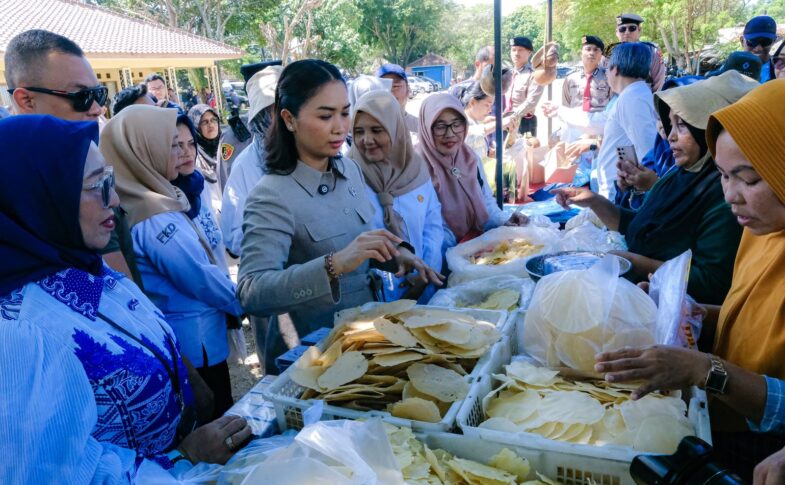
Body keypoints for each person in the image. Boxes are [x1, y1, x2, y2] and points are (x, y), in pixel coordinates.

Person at [0, 115, 251, 481]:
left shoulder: (89, 270)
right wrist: (182, 459)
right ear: (38, 198)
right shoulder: (17, 333)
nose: (115, 199)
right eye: (96, 186)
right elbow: (50, 474)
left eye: (111, 180)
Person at [594, 79, 785, 481]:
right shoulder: (761, 230)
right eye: (722, 175)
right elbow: (750, 315)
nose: (731, 195)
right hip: (725, 415)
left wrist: (705, 370)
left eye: (749, 179)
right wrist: (695, 312)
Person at [237, 59, 439, 372]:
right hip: (314, 358)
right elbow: (252, 292)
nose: (340, 127)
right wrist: (333, 265)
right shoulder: (271, 196)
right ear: (289, 119)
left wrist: (396, 254)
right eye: (325, 115)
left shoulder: (349, 170)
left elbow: (358, 245)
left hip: (364, 341)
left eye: (345, 112)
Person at [554, 71, 755, 305]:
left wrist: (635, 263)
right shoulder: (678, 175)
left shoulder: (723, 195)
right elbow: (641, 226)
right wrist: (594, 201)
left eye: (682, 126)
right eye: (670, 125)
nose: (670, 137)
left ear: (707, 129)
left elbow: (711, 282)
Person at [101, 105, 243, 418]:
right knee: (217, 417)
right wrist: (246, 300)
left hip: (191, 337)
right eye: (169, 144)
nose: (179, 152)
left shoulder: (150, 198)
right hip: (194, 342)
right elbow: (198, 277)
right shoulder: (154, 213)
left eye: (185, 143)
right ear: (142, 150)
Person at [3, 29, 139, 287]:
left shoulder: (84, 162)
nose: (97, 109)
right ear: (27, 100)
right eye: (81, 97)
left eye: (99, 94)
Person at [348, 90, 445, 302]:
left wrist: (425, 270)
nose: (367, 140)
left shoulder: (416, 171)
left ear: (396, 130)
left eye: (376, 130)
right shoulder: (346, 177)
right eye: (359, 131)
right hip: (373, 296)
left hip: (423, 283)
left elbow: (433, 225)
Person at [417, 93, 527, 253]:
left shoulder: (469, 158)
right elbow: (426, 227)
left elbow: (486, 202)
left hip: (475, 250)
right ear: (426, 127)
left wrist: (505, 219)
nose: (450, 134)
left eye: (456, 124)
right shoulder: (416, 167)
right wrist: (461, 249)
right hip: (439, 258)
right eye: (440, 126)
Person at [613, 75, 704, 210]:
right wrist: (628, 187)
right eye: (660, 118)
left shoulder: (715, 177)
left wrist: (655, 187)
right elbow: (633, 216)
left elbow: (683, 219)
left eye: (681, 123)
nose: (670, 135)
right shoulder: (660, 151)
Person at [221, 65, 283, 258]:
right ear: (259, 117)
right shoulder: (245, 166)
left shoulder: (313, 151)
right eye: (272, 111)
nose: (282, 118)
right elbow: (233, 238)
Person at [592, 42, 658, 201]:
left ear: (616, 69)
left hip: (620, 193)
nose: (606, 74)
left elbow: (647, 150)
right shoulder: (634, 94)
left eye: (607, 68)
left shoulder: (632, 98)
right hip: (618, 189)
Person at [462, 82, 519, 202]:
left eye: (491, 106)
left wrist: (489, 155)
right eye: (487, 105)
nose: (489, 110)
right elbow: (468, 133)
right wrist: (499, 124)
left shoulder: (477, 121)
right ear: (472, 102)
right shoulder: (461, 121)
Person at [189, 104, 227, 220]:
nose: (210, 125)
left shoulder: (227, 146)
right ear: (196, 126)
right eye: (204, 122)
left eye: (213, 120)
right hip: (211, 214)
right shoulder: (192, 155)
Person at [611, 13, 666, 92]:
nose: (627, 32)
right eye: (622, 29)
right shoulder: (609, 54)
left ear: (639, 30)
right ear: (617, 32)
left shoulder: (651, 50)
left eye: (632, 28)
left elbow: (659, 82)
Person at [506, 36, 544, 137]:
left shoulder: (535, 75)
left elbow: (531, 102)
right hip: (506, 121)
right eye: (513, 50)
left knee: (524, 152)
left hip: (524, 123)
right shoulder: (507, 74)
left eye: (520, 50)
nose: (516, 53)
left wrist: (512, 116)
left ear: (529, 53)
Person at [376, 63, 419, 133]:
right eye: (384, 86)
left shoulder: (420, 128)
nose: (389, 92)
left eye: (395, 86)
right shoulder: (368, 128)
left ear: (408, 90)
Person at [740, 15, 778, 82]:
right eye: (753, 42)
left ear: (773, 41)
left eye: (766, 42)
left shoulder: (780, 69)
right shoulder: (730, 67)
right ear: (742, 41)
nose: (758, 48)